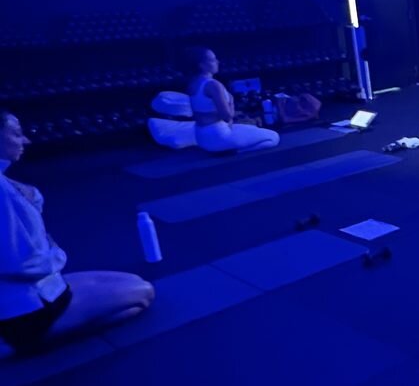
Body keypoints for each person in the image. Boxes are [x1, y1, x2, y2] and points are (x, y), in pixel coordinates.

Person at [0, 109, 154, 356]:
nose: (26, 141)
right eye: (16, 134)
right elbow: (22, 264)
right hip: (27, 312)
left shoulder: (6, 184)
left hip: (35, 293)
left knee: (133, 281)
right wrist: (57, 255)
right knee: (144, 294)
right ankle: (26, 343)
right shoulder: (2, 191)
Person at [187, 47, 280, 152]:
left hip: (201, 137)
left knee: (253, 129)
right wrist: (231, 102)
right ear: (202, 65)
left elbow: (200, 113)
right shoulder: (213, 85)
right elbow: (227, 116)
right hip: (218, 136)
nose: (217, 62)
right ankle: (235, 151)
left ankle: (230, 147)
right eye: (213, 60)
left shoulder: (193, 84)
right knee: (274, 137)